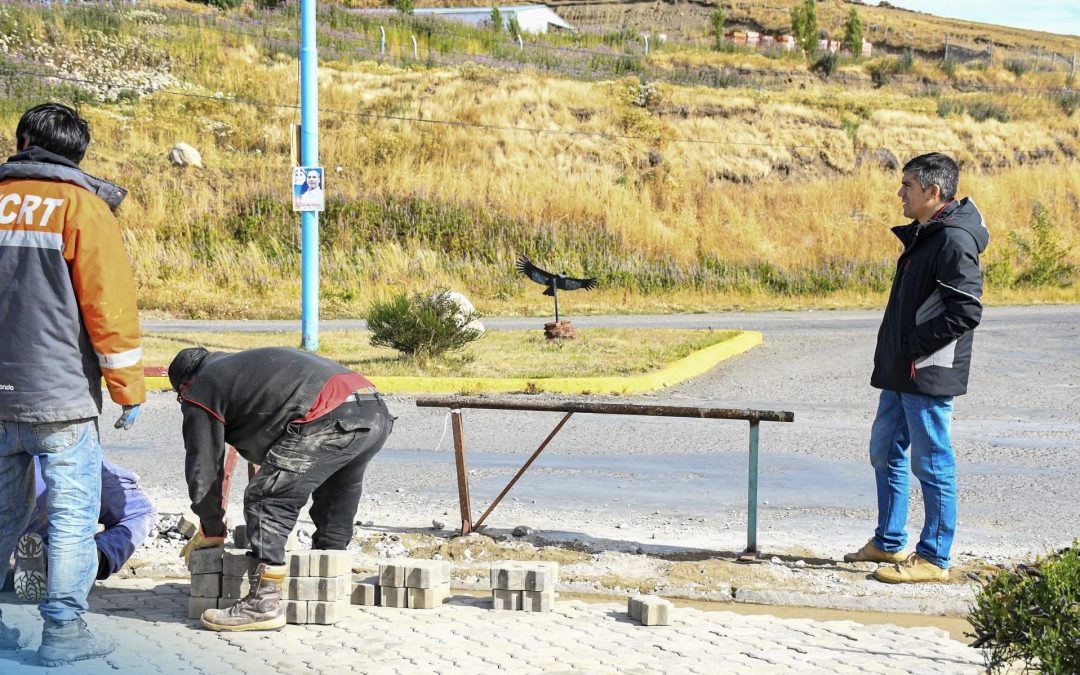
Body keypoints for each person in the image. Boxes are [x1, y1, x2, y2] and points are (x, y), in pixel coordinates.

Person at [0, 102, 144, 665]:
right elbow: (108, 308)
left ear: (21, 141)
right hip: (58, 398)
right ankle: (62, 632)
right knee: (71, 515)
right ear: (76, 153)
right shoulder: (82, 208)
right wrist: (126, 388)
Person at [168, 346, 394, 632]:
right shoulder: (236, 368)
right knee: (337, 489)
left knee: (266, 497)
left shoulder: (201, 388)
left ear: (185, 385)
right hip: (373, 408)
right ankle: (328, 586)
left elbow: (203, 468)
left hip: (331, 415)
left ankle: (262, 605)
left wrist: (211, 529)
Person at [844, 152, 989, 584]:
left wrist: (913, 347)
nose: (899, 192)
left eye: (907, 184)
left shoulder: (952, 240)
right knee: (885, 449)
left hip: (925, 371)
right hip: (902, 370)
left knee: (932, 462)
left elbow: (966, 310)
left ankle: (934, 557)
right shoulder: (928, 234)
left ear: (933, 191)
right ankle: (889, 543)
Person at [12, 458, 158, 603]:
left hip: (13, 482)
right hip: (68, 465)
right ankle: (85, 561)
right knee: (140, 511)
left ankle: (39, 557)